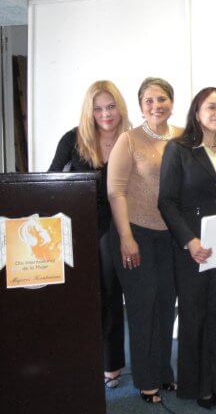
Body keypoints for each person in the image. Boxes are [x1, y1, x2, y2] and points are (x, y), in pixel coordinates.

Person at [158, 87, 216, 410]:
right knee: (195, 315)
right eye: (211, 107)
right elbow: (167, 202)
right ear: (197, 112)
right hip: (191, 247)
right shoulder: (178, 149)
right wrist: (189, 240)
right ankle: (200, 385)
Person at [49, 80, 131, 389]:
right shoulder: (73, 138)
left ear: (120, 108)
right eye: (98, 109)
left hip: (118, 224)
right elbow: (51, 179)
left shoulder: (131, 139)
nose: (105, 114)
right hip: (79, 225)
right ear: (89, 111)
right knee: (81, 295)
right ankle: (81, 358)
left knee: (110, 294)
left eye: (110, 107)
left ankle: (111, 363)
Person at [107, 77, 182, 404]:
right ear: (140, 106)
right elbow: (115, 192)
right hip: (135, 234)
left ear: (171, 102)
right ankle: (146, 379)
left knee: (166, 306)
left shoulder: (183, 137)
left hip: (171, 237)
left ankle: (163, 370)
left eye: (162, 99)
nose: (156, 105)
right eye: (149, 100)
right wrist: (126, 237)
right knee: (143, 307)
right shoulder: (129, 139)